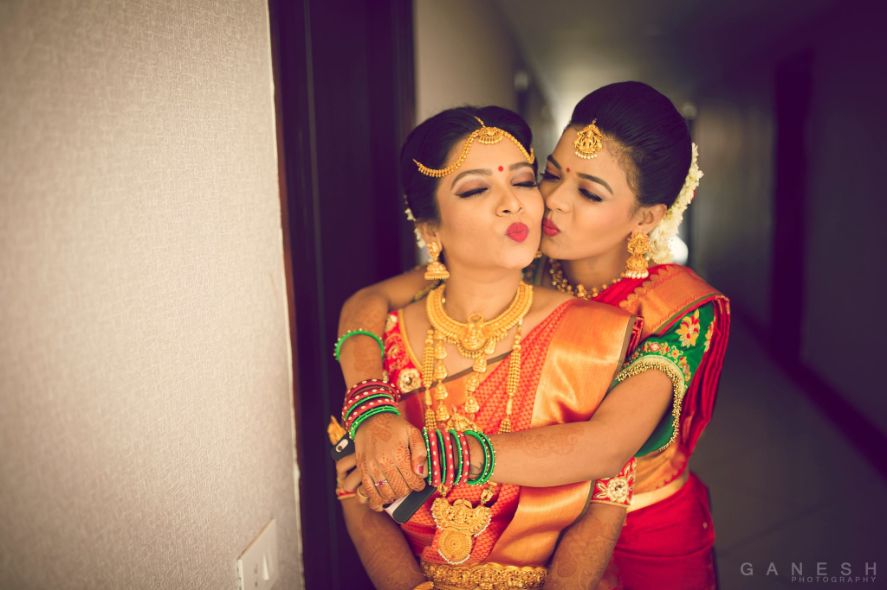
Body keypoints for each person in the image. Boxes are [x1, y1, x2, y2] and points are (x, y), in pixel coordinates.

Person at [337, 82, 730, 589]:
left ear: (646, 218)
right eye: (548, 175)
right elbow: (366, 304)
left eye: (589, 192)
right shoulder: (524, 255)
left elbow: (606, 448)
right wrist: (373, 411)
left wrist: (428, 457)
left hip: (644, 528)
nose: (553, 203)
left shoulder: (677, 308)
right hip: (531, 526)